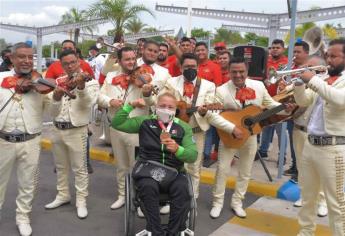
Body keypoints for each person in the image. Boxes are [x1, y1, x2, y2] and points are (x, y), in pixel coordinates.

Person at [203, 57, 294, 219]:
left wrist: (285, 109)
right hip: (229, 136)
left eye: (241, 72)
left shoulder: (258, 86)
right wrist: (232, 128)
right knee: (222, 169)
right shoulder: (222, 90)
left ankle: (237, 202)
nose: (238, 75)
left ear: (247, 71)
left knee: (245, 171)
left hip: (251, 136)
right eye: (234, 72)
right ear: (229, 72)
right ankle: (217, 202)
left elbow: (270, 104)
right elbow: (211, 115)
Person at [112, 92, 197, 236]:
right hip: (148, 169)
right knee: (147, 187)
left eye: (170, 107)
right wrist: (130, 106)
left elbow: (192, 155)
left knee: (182, 189)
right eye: (162, 106)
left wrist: (178, 149)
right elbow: (117, 123)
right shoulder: (144, 122)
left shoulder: (184, 127)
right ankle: (155, 231)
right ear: (156, 107)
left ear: (175, 110)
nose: (166, 109)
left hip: (174, 170)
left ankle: (173, 231)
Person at [0, 42, 53, 236]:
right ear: (11, 58)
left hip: (30, 140)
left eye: (30, 57)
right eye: (22, 57)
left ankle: (23, 217)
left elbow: (53, 109)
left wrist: (59, 94)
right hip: (2, 140)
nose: (27, 61)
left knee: (27, 183)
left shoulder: (41, 83)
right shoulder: (0, 78)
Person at [294, 38, 345, 236]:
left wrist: (311, 79)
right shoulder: (323, 79)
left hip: (333, 149)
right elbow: (304, 100)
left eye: (333, 56)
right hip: (310, 145)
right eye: (327, 56)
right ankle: (306, 232)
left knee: (337, 203)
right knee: (307, 197)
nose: (328, 60)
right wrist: (299, 84)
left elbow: (339, 100)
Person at [44, 49, 99, 219]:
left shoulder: (91, 82)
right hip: (57, 129)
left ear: (79, 62)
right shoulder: (58, 82)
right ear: (61, 65)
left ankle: (81, 201)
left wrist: (81, 87)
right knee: (61, 167)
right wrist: (56, 97)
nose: (70, 66)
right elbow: (52, 113)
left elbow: (88, 104)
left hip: (77, 130)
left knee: (80, 168)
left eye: (73, 62)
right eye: (66, 63)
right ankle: (63, 195)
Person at [97, 47, 151, 210]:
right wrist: (109, 101)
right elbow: (99, 96)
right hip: (116, 128)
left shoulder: (143, 77)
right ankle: (123, 195)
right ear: (119, 61)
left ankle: (141, 200)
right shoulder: (111, 77)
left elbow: (152, 102)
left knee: (138, 165)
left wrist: (147, 93)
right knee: (121, 165)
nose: (131, 62)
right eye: (127, 59)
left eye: (133, 59)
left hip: (135, 129)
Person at [159, 52, 216, 199]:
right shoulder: (171, 82)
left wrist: (203, 112)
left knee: (194, 167)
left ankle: (192, 197)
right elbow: (163, 101)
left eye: (193, 66)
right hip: (175, 130)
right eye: (186, 66)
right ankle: (171, 197)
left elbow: (210, 106)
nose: (190, 69)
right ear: (181, 67)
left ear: (198, 67)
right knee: (173, 165)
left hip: (197, 131)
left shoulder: (208, 86)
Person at [289, 55, 328, 217]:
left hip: (319, 135)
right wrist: (298, 85)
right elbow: (302, 101)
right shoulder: (307, 83)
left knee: (321, 169)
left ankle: (323, 201)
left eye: (310, 67)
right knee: (302, 167)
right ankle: (305, 197)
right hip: (299, 130)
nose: (305, 70)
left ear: (320, 68)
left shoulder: (327, 84)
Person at [258, 39, 289, 161]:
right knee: (266, 126)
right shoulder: (267, 61)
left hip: (280, 100)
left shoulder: (287, 62)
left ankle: (282, 156)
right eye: (273, 47)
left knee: (280, 130)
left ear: (283, 49)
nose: (275, 49)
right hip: (266, 99)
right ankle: (263, 150)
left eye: (277, 47)